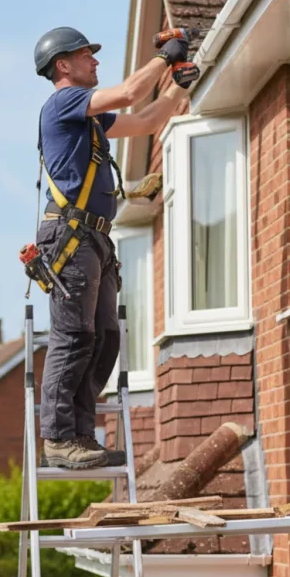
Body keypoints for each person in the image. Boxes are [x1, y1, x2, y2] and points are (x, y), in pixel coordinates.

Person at [33, 26, 197, 469]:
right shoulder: (63, 103)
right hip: (70, 236)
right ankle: (57, 439)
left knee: (104, 338)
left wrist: (180, 87)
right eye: (86, 55)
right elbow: (128, 93)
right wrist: (165, 57)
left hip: (96, 238)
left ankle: (80, 436)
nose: (95, 61)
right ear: (63, 65)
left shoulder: (89, 119)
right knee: (73, 336)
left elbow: (145, 121)